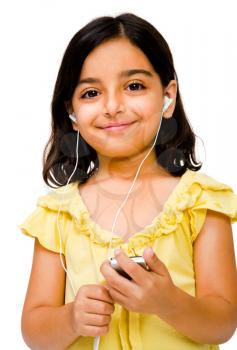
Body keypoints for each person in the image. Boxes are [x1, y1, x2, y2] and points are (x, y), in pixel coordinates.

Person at [18, 13, 237, 350]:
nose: (112, 106)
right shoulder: (57, 215)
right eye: (91, 92)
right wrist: (72, 317)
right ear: (72, 112)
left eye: (134, 86)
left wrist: (167, 302)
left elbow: (223, 322)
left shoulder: (201, 201)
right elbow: (34, 329)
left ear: (167, 96)